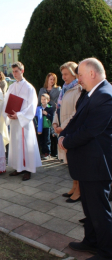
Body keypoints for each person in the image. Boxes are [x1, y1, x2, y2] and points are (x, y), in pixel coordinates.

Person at [58, 58, 112, 260]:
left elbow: (91, 130)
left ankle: (107, 251)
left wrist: (67, 141)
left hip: (98, 163)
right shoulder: (90, 94)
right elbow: (77, 120)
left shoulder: (106, 96)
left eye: (79, 74)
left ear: (92, 73)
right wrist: (64, 135)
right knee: (89, 207)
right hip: (87, 162)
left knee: (99, 209)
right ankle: (91, 240)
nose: (77, 78)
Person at [4, 62, 41, 181]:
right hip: (14, 121)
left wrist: (19, 115)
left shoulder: (29, 87)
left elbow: (32, 106)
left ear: (22, 71)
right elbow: (6, 102)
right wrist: (8, 113)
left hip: (24, 121)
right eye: (13, 71)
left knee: (26, 145)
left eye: (16, 71)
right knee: (15, 144)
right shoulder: (11, 86)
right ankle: (18, 167)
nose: (14, 74)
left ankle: (28, 169)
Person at [52, 62, 82, 203]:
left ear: (73, 74)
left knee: (76, 161)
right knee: (71, 161)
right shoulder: (64, 89)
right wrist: (55, 123)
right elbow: (58, 108)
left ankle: (79, 190)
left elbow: (76, 112)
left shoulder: (78, 90)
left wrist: (63, 127)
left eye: (66, 74)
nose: (63, 77)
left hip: (72, 129)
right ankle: (74, 185)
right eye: (62, 74)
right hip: (63, 128)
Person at [38, 73, 61, 157]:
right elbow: (38, 100)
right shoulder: (42, 90)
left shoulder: (58, 89)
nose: (52, 81)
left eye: (54, 79)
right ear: (47, 80)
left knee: (53, 132)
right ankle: (45, 151)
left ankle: (54, 152)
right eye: (51, 79)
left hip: (53, 112)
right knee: (44, 133)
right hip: (43, 113)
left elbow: (59, 101)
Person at [35, 93, 54, 160]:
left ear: (48, 100)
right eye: (42, 99)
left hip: (47, 127)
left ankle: (48, 153)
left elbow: (52, 117)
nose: (43, 101)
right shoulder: (38, 108)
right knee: (41, 140)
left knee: (47, 140)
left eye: (44, 99)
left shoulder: (50, 108)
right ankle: (42, 153)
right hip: (40, 127)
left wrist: (47, 114)